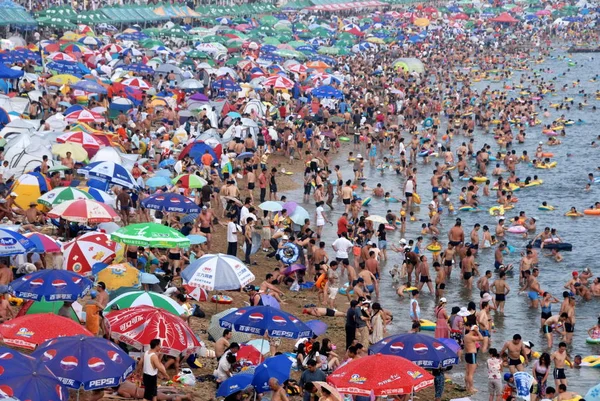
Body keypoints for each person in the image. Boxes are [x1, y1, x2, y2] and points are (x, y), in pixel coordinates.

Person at [464, 325, 484, 394]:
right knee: (471, 374)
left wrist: (476, 331)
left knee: (467, 372)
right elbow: (482, 338)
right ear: (474, 331)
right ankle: (471, 388)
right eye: (475, 332)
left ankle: (467, 386)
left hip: (467, 354)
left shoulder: (466, 336)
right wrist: (477, 331)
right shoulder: (472, 337)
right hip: (472, 354)